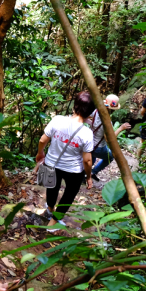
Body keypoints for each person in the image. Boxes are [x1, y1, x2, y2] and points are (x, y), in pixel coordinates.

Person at [35, 91, 96, 227]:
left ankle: (50, 208)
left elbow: (43, 139)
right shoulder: (87, 133)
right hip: (73, 170)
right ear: (90, 112)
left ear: (75, 106)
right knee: (69, 194)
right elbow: (87, 160)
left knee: (51, 187)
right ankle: (53, 223)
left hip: (51, 163)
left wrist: (40, 153)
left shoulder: (57, 120)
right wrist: (88, 176)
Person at [87, 94, 132, 182]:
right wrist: (120, 128)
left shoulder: (96, 111)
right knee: (110, 157)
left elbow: (86, 115)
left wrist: (91, 123)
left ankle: (85, 173)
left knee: (92, 156)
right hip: (98, 148)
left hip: (89, 143)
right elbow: (109, 139)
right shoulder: (107, 122)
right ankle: (92, 172)